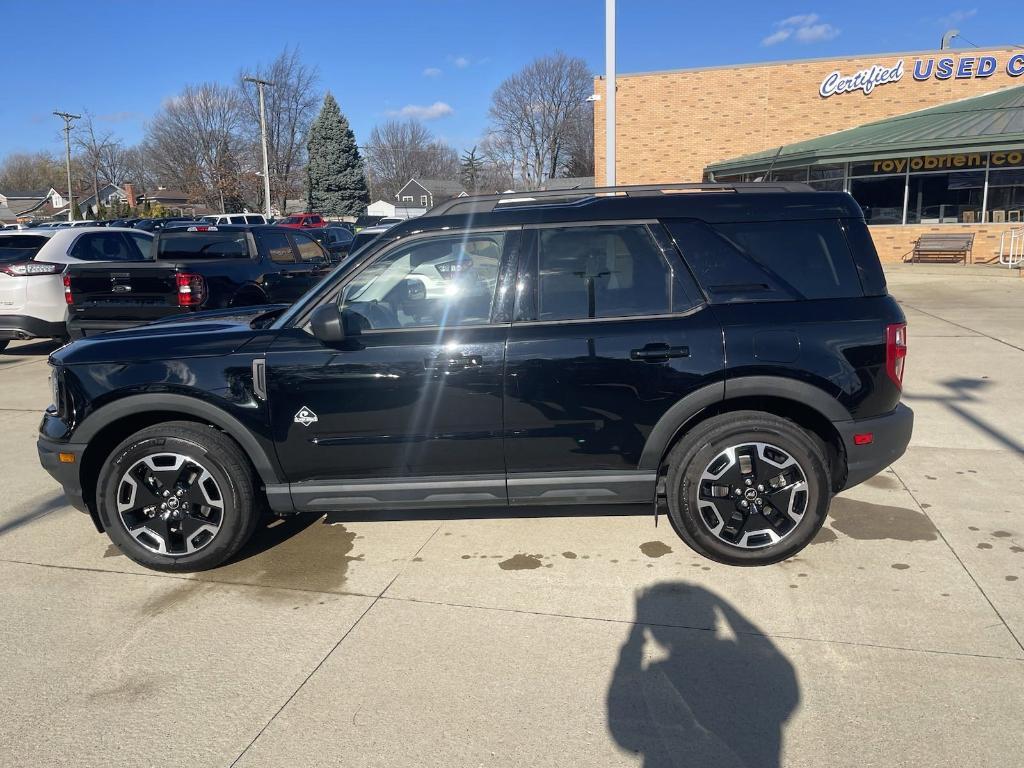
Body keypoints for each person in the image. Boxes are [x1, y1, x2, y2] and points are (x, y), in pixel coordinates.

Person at [607, 583, 799, 768]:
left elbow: (624, 731)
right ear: (713, 621)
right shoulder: (749, 667)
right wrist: (720, 602)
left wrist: (638, 629)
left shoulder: (658, 681)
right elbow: (768, 656)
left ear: (658, 633)